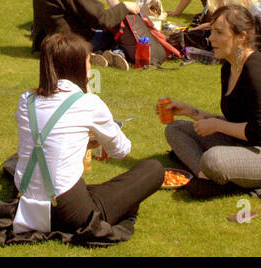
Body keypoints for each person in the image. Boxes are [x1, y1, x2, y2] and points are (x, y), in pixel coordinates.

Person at [12, 31, 164, 236]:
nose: (91, 68)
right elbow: (121, 150)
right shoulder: (87, 103)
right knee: (153, 169)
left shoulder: (26, 100)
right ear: (76, 67)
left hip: (26, 204)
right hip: (71, 212)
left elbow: (46, 139)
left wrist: (82, 142)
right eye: (88, 62)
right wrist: (90, 96)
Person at [162, 6, 261, 197]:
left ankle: (212, 172)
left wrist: (216, 125)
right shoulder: (229, 67)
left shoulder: (256, 71)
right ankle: (204, 175)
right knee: (175, 129)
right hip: (248, 144)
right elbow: (235, 123)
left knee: (214, 160)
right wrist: (189, 111)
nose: (210, 38)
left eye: (219, 32)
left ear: (241, 37)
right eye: (211, 31)